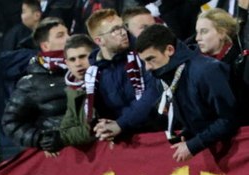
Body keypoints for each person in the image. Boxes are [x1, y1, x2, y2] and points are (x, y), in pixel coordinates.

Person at [135, 23, 238, 161]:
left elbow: (230, 118)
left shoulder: (207, 71)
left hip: (240, 153)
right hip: (222, 155)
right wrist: (189, 133)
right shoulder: (162, 79)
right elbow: (204, 116)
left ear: (169, 50)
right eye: (144, 61)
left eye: (150, 59)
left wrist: (194, 145)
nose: (147, 68)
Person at [85, 9, 162, 143]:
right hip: (125, 141)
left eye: (122, 27)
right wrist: (105, 128)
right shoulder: (94, 73)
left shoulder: (144, 53)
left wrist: (121, 124)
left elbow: (153, 93)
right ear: (99, 40)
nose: (122, 32)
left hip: (157, 133)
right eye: (115, 29)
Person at [1, 16, 70, 152]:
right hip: (57, 159)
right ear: (45, 46)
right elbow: (10, 122)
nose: (69, 38)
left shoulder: (84, 70)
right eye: (60, 36)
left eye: (68, 33)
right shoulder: (31, 83)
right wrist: (39, 138)